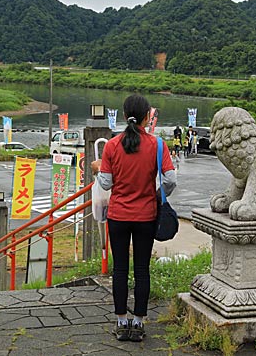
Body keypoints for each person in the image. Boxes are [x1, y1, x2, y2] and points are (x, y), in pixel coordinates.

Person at [90, 94, 176, 343]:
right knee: (141, 270)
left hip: (118, 216)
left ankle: (120, 322)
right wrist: (157, 195)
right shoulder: (158, 145)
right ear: (148, 115)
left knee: (120, 271)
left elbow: (106, 183)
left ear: (124, 112)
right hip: (146, 216)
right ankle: (138, 323)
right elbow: (170, 180)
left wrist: (97, 170)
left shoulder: (113, 145)